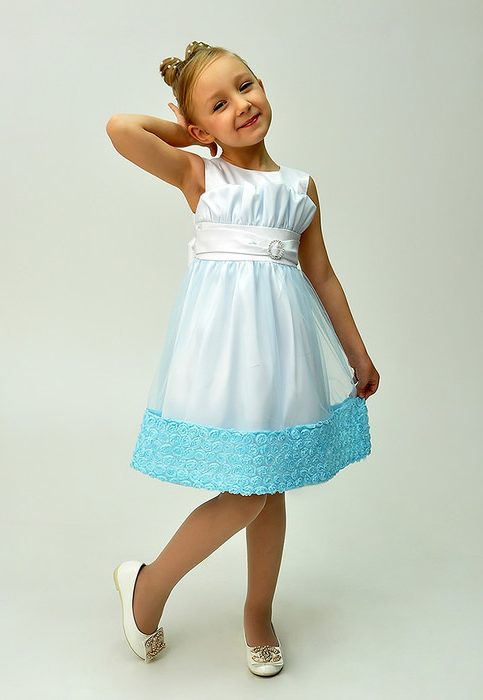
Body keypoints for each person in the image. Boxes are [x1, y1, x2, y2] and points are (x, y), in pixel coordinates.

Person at [106, 41, 379, 677]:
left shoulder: (299, 187)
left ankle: (258, 611)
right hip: (226, 352)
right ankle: (147, 585)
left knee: (268, 481)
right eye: (219, 104)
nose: (242, 105)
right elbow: (121, 128)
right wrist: (192, 135)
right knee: (247, 492)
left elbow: (322, 274)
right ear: (199, 126)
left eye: (246, 86)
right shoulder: (202, 175)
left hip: (282, 351)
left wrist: (357, 355)